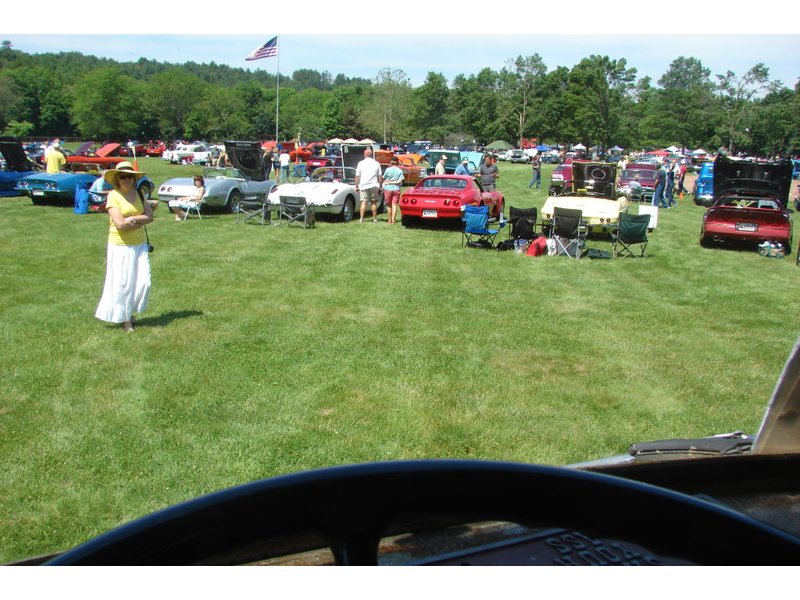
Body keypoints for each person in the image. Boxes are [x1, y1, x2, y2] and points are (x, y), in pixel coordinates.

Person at [94, 161, 154, 333]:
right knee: (124, 283)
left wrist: (132, 220)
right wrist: (137, 219)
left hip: (139, 244)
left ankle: (129, 312)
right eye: (123, 176)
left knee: (144, 282)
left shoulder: (140, 193)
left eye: (130, 176)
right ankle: (126, 320)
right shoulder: (113, 196)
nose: (127, 179)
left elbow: (150, 216)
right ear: (118, 179)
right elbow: (119, 224)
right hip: (120, 246)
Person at [354, 148, 383, 223]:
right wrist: (380, 186)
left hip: (364, 184)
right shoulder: (376, 163)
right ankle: (375, 219)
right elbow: (380, 176)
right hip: (374, 184)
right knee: (373, 202)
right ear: (371, 154)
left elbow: (357, 176)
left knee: (364, 202)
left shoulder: (360, 163)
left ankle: (361, 218)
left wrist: (356, 186)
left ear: (364, 154)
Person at [382, 157, 404, 225]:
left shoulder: (388, 170)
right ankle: (393, 220)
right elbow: (400, 180)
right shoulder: (400, 170)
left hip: (388, 188)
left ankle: (389, 220)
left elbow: (383, 178)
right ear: (397, 162)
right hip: (396, 189)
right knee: (394, 204)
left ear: (391, 162)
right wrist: (394, 182)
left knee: (389, 205)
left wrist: (389, 182)